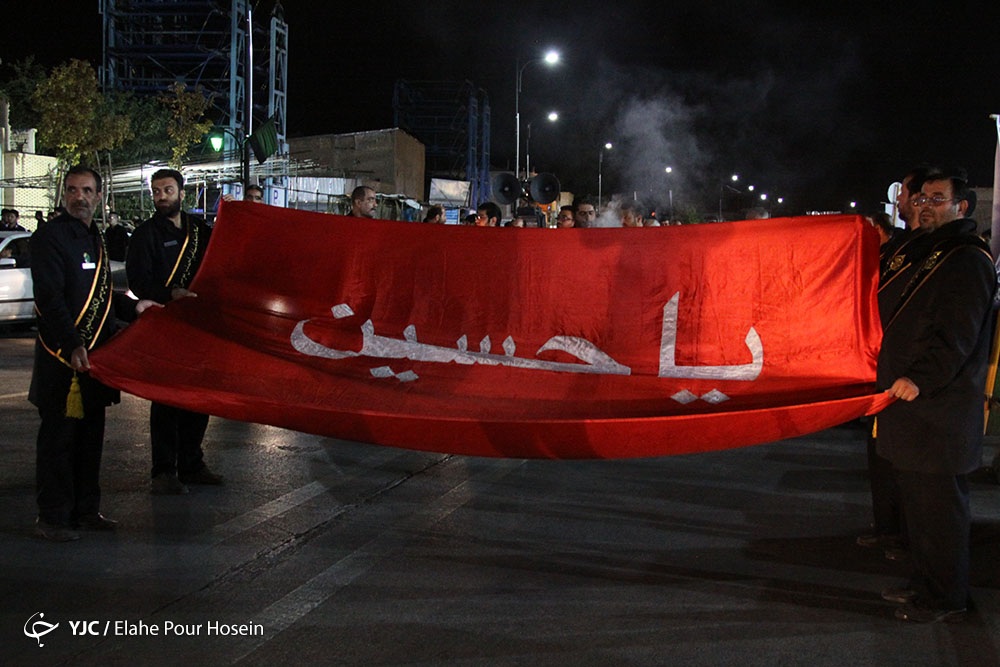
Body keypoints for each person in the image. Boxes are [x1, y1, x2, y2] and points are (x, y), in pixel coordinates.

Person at [875, 169, 996, 623]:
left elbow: (957, 336)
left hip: (938, 408)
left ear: (961, 207)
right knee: (920, 510)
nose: (925, 205)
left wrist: (920, 378)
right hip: (913, 406)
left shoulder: (967, 259)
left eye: (937, 199)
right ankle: (925, 582)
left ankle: (945, 596)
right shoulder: (930, 250)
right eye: (922, 198)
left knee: (939, 511)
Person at [30, 165, 160, 541]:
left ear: (99, 196)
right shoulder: (49, 238)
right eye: (72, 190)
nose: (79, 197)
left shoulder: (95, 238)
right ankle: (53, 516)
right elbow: (50, 300)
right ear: (64, 194)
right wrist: (72, 345)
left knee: (89, 442)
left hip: (94, 362)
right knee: (58, 443)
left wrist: (135, 307)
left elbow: (101, 296)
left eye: (87, 191)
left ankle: (86, 510)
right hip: (63, 360)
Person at [126, 168, 223, 495]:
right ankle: (164, 470)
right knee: (166, 399)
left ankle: (192, 463)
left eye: (167, 190)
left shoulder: (201, 231)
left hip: (199, 326)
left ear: (182, 193)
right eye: (156, 191)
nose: (161, 196)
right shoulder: (144, 235)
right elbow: (139, 283)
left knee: (199, 396)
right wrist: (171, 295)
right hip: (165, 326)